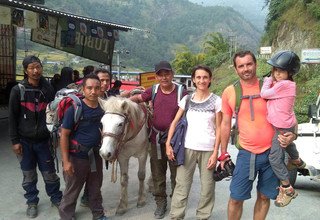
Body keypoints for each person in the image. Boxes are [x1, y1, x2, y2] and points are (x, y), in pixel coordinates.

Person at [219, 51, 297, 220]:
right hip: (246, 153)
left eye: (249, 64)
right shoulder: (230, 92)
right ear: (235, 69)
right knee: (236, 198)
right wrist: (223, 152)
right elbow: (225, 124)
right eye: (241, 66)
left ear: (255, 64)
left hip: (271, 152)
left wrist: (293, 135)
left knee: (264, 196)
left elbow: (289, 114)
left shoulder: (272, 86)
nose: (246, 69)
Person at [130, 61, 187, 219]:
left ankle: (175, 202)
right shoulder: (153, 90)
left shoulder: (182, 91)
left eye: (167, 73)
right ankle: (160, 203)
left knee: (177, 174)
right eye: (160, 74)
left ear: (172, 74)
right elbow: (139, 98)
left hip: (176, 141)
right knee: (157, 173)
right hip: (156, 139)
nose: (164, 77)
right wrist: (124, 101)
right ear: (156, 76)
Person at [8, 55, 62, 218]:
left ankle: (56, 198)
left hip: (44, 141)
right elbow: (12, 117)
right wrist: (15, 141)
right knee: (28, 174)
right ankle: (32, 202)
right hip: (24, 142)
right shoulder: (18, 90)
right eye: (31, 68)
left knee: (49, 172)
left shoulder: (48, 89)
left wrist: (55, 137)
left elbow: (54, 114)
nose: (35, 71)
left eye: (38, 67)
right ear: (25, 71)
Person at [166, 65, 221, 219]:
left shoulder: (217, 101)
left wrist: (216, 152)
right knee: (181, 186)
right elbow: (175, 122)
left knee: (208, 188)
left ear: (210, 79)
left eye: (205, 77)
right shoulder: (187, 99)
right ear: (193, 80)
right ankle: (176, 216)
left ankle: (203, 216)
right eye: (198, 77)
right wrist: (167, 144)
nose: (202, 80)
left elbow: (219, 128)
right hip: (187, 149)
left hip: (208, 149)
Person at [59, 73, 107, 220]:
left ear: (101, 89)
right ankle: (67, 216)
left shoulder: (103, 108)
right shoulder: (74, 109)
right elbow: (64, 135)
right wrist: (66, 161)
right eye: (89, 88)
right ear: (83, 89)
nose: (93, 91)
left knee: (95, 187)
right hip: (77, 157)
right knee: (72, 189)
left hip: (96, 156)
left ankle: (98, 215)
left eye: (97, 88)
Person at [260, 50, 305, 207]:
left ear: (290, 72)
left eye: (281, 71)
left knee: (274, 158)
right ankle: (296, 160)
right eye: (275, 70)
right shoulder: (287, 85)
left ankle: (287, 188)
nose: (277, 74)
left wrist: (267, 81)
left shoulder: (283, 85)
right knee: (289, 144)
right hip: (287, 123)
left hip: (280, 127)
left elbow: (264, 94)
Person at [79, 68, 112, 207]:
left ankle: (90, 199)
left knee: (96, 176)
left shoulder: (108, 99)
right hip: (81, 147)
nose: (104, 83)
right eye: (101, 80)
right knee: (79, 178)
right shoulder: (86, 100)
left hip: (99, 145)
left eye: (107, 80)